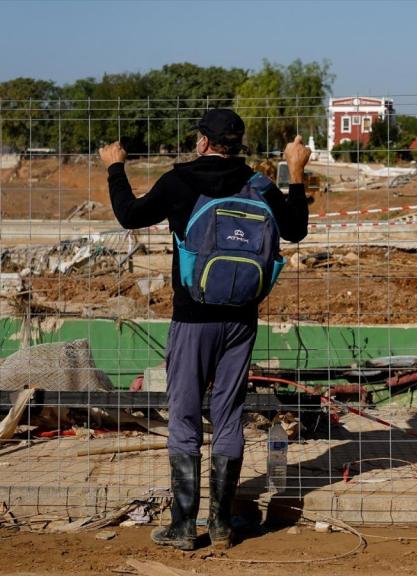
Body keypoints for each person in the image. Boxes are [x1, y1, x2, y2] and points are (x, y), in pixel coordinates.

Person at [99, 109, 310, 550]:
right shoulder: (259, 184)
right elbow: (296, 230)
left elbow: (129, 215)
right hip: (241, 319)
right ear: (237, 144)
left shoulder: (181, 182)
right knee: (229, 414)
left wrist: (115, 167)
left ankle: (182, 525)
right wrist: (296, 171)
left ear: (203, 141)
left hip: (192, 317)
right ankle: (221, 523)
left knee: (186, 414)